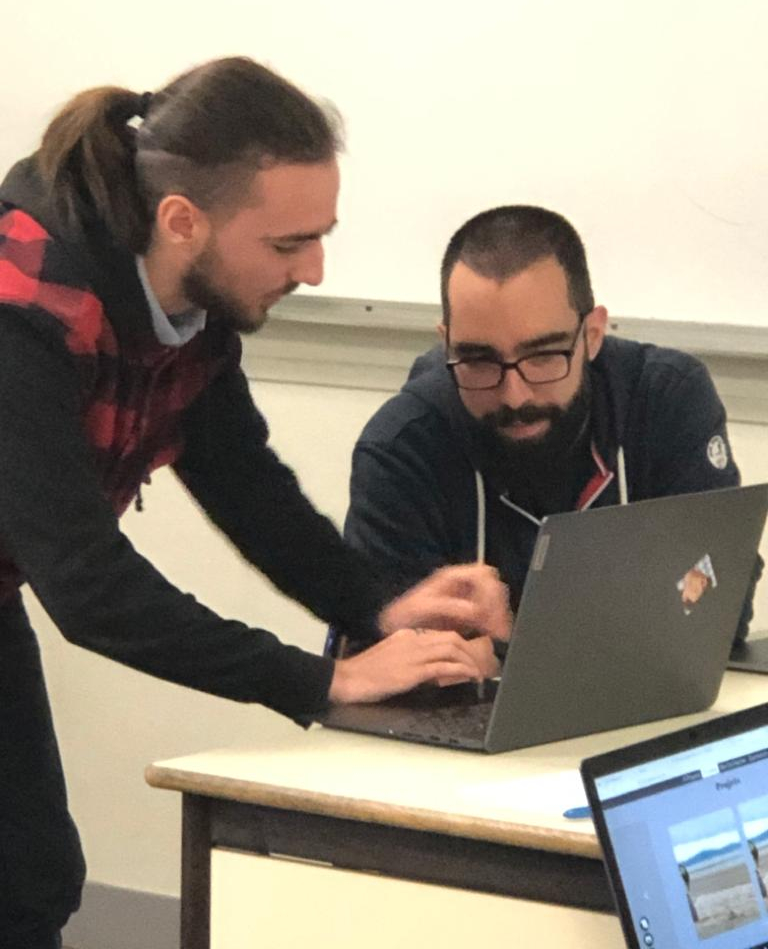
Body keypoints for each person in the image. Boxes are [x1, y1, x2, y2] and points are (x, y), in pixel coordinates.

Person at [0, 58, 508, 947]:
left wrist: (376, 608)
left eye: (322, 235)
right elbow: (89, 590)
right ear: (183, 220)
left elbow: (245, 484)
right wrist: (323, 679)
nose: (314, 269)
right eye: (287, 244)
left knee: (31, 877)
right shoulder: (23, 313)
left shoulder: (187, 306)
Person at [345, 204, 761, 633]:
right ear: (447, 343)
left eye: (543, 356)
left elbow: (718, 606)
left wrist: (508, 642)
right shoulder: (401, 448)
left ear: (593, 335)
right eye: (478, 360)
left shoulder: (666, 402)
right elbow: (392, 660)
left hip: (655, 700)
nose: (515, 395)